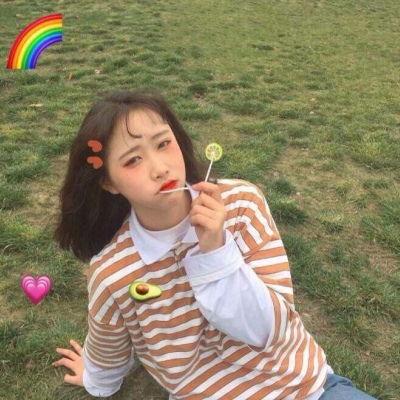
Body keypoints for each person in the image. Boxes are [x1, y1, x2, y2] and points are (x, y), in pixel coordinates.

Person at [52, 89, 377, 399]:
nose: (160, 168)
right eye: (132, 160)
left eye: (163, 143)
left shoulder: (242, 205)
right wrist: (96, 379)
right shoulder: (113, 273)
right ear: (108, 182)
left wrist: (217, 251)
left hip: (306, 389)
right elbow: (109, 349)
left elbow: (267, 330)